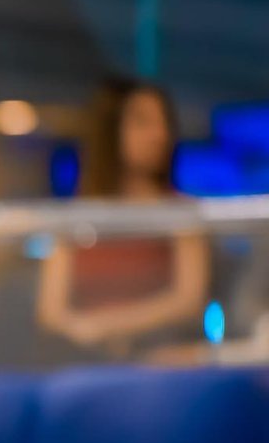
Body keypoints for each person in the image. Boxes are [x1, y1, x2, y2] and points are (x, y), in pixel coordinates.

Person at [37, 77, 210, 356]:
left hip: (164, 357)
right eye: (142, 122)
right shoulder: (76, 216)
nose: (159, 134)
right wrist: (85, 333)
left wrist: (105, 326)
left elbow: (189, 299)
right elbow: (51, 310)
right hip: (86, 360)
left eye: (163, 122)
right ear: (110, 129)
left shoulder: (182, 212)